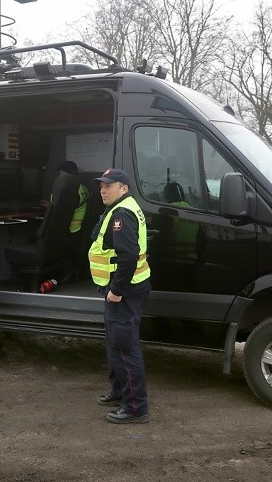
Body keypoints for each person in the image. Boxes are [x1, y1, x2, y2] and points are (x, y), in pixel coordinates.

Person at [88, 168, 151, 424]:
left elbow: (127, 257)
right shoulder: (122, 207)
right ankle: (119, 391)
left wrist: (116, 291)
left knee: (125, 348)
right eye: (102, 186)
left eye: (109, 186)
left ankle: (136, 408)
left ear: (123, 188)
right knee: (115, 344)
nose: (103, 190)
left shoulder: (122, 214)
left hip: (124, 290)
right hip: (123, 288)